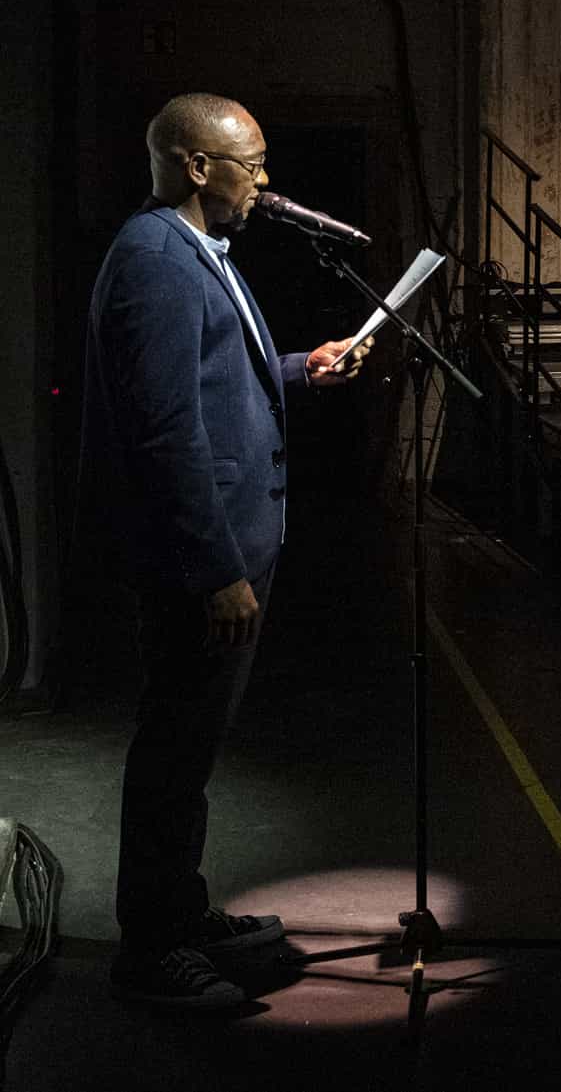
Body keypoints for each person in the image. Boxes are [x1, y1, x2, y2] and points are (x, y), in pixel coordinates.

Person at [78, 93, 370, 1010]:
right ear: (197, 166)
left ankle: (179, 911)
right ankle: (151, 951)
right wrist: (216, 570)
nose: (265, 180)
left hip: (231, 544)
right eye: (253, 163)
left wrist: (300, 368)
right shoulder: (157, 260)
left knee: (192, 748)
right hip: (198, 561)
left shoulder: (196, 252)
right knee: (174, 751)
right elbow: (165, 432)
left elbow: (218, 382)